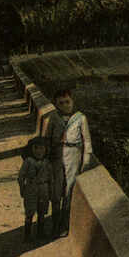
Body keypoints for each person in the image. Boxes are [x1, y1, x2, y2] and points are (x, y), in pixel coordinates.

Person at [43, 88, 92, 238]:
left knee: (69, 189)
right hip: (57, 155)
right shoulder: (53, 118)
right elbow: (47, 140)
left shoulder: (80, 118)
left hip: (74, 154)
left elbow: (87, 140)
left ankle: (64, 224)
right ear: (56, 105)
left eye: (68, 102)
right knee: (56, 191)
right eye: (61, 103)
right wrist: (46, 159)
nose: (65, 105)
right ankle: (55, 225)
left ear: (72, 101)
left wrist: (86, 159)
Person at [17, 137, 52, 242]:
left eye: (42, 149)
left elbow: (51, 179)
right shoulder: (28, 162)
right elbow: (20, 177)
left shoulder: (46, 162)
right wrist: (22, 189)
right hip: (31, 188)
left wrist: (49, 191)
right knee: (29, 212)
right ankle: (27, 235)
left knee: (42, 212)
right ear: (32, 150)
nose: (39, 151)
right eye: (36, 148)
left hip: (43, 189)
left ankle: (40, 233)